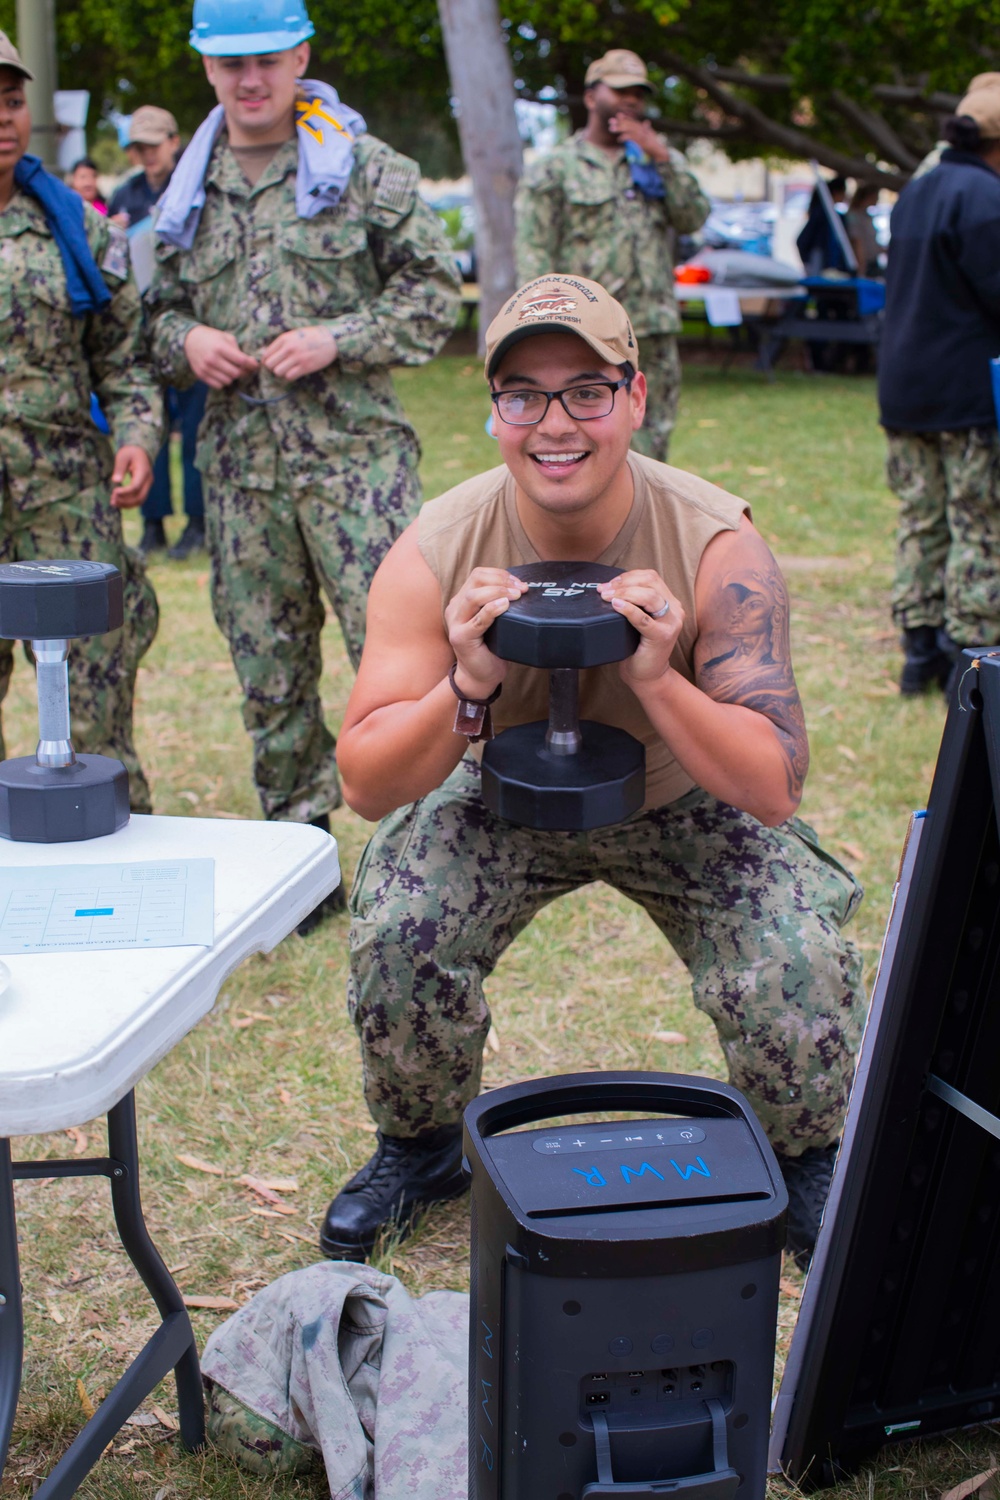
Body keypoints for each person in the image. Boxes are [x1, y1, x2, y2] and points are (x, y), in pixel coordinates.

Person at [319, 274, 866, 1267]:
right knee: (400, 928)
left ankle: (805, 1158)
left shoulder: (716, 545)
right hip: (495, 784)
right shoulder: (436, 548)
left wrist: (657, 679)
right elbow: (364, 782)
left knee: (791, 953)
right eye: (522, 394)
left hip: (677, 787)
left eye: (586, 391)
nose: (553, 423)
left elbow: (772, 786)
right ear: (493, 412)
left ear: (636, 398)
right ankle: (420, 1147)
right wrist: (467, 688)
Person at [144, 0, 460, 929]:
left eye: (269, 62)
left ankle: (424, 853)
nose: (251, 81)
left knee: (398, 661)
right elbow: (148, 319)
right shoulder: (182, 190)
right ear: (206, 67)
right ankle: (302, 865)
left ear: (301, 58)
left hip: (356, 466)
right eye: (231, 64)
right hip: (240, 474)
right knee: (268, 667)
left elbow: (436, 295)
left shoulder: (362, 169)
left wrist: (339, 338)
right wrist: (189, 338)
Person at [0, 33, 162, 808]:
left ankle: (116, 854)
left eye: (10, 101)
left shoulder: (78, 228)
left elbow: (127, 358)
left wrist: (136, 436)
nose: (3, 119)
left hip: (65, 498)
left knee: (95, 697)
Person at [514, 50, 710, 464]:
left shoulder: (655, 161)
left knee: (653, 443)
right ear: (590, 97)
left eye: (638, 92)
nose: (631, 100)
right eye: (619, 89)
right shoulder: (556, 169)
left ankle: (644, 524)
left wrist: (661, 155)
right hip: (590, 335)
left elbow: (693, 217)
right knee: (589, 441)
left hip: (652, 326)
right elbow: (534, 255)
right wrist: (546, 327)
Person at [880, 84, 1000, 694]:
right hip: (965, 389)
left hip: (903, 388)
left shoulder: (916, 191)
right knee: (977, 520)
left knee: (919, 519)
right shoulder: (985, 196)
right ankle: (969, 659)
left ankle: (917, 652)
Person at [107, 106, 208, 562]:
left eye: (153, 145)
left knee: (194, 432)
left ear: (173, 141)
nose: (146, 155)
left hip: (191, 327)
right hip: (143, 327)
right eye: (139, 147)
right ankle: (153, 523)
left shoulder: (195, 184)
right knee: (149, 427)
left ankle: (196, 523)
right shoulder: (125, 194)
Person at [845, 184, 880, 278]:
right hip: (864, 265)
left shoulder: (867, 216)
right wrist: (861, 269)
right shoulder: (854, 216)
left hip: (872, 262)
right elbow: (857, 241)